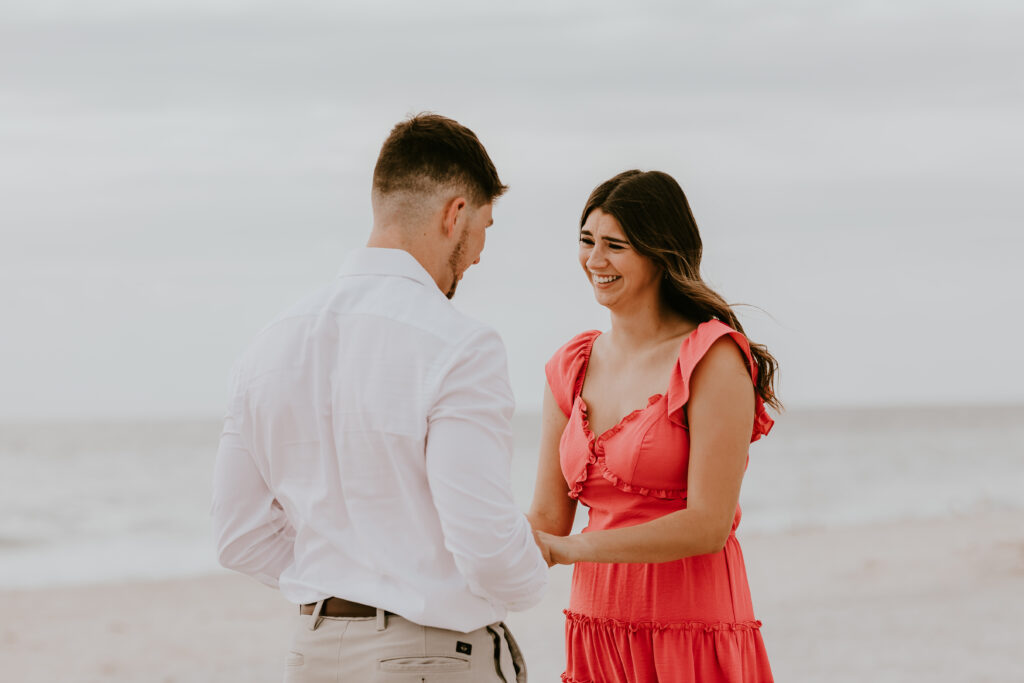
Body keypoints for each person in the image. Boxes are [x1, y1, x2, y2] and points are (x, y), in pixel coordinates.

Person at [211, 113, 548, 682]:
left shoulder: (268, 347)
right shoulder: (462, 345)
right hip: (430, 658)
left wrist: (345, 577)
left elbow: (237, 535)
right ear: (455, 214)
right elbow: (486, 547)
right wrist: (532, 576)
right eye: (486, 227)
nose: (480, 255)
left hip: (312, 656)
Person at [529, 170, 780, 683]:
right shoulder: (572, 364)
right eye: (586, 241)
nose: (595, 261)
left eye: (615, 246)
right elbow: (547, 520)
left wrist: (572, 550)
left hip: (689, 633)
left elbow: (708, 525)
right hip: (596, 632)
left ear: (658, 253)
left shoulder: (712, 358)